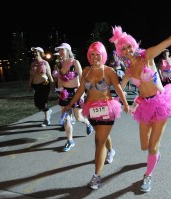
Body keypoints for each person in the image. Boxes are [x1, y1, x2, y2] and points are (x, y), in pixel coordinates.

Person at [109, 16, 171, 192]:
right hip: (143, 106)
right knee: (144, 146)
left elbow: (170, 39)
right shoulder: (129, 70)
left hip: (161, 103)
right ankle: (155, 155)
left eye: (129, 45)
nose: (128, 50)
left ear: (134, 44)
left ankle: (148, 176)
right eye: (123, 49)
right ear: (121, 52)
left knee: (152, 146)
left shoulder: (148, 55)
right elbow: (120, 87)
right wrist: (116, 101)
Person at [63, 41, 129, 190]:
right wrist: (69, 104)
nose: (94, 57)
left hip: (106, 108)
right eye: (92, 54)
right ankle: (111, 150)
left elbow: (118, 88)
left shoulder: (109, 71)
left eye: (97, 54)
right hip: (91, 109)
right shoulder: (86, 70)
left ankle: (96, 177)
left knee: (99, 141)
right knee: (102, 135)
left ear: (102, 55)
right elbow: (80, 91)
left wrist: (125, 104)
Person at [54, 43, 93, 152]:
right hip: (65, 93)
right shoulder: (60, 64)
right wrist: (60, 91)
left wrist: (83, 93)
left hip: (76, 92)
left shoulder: (75, 62)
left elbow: (82, 78)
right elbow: (60, 80)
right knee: (66, 118)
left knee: (78, 117)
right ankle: (70, 140)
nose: (60, 52)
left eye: (62, 50)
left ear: (68, 50)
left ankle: (87, 123)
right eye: (60, 50)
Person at [28, 47, 54, 127]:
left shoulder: (45, 63)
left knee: (43, 102)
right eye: (34, 52)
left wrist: (52, 85)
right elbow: (31, 76)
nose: (35, 53)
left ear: (40, 53)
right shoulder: (33, 63)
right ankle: (48, 111)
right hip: (36, 85)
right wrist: (29, 85)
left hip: (45, 84)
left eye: (36, 52)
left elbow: (49, 75)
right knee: (37, 103)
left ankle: (46, 119)